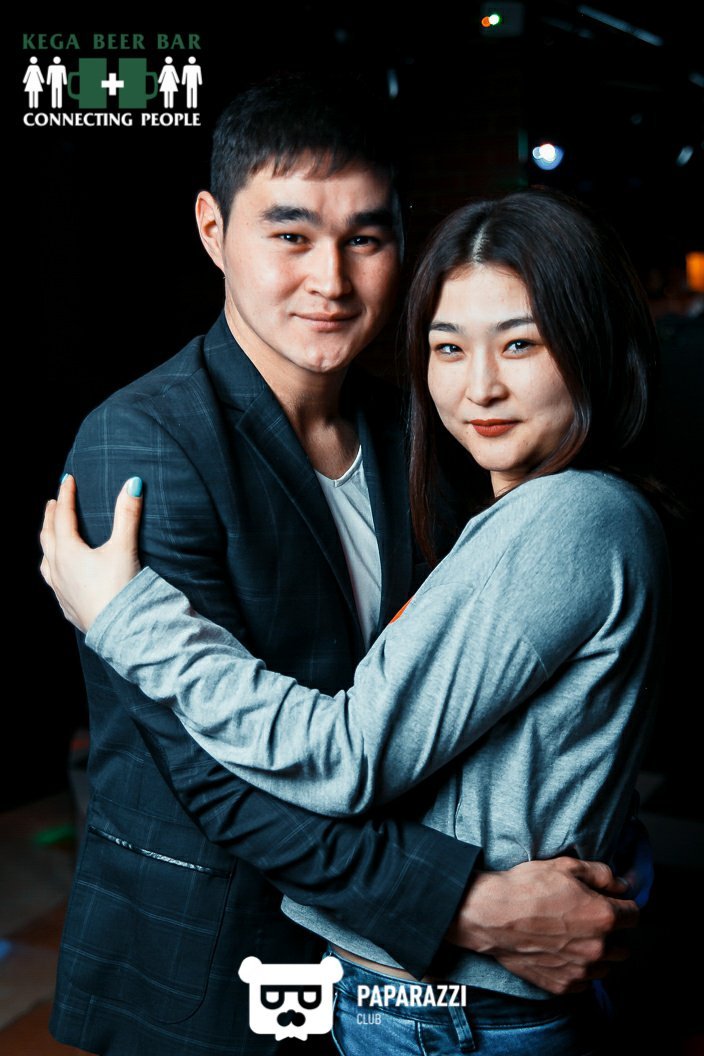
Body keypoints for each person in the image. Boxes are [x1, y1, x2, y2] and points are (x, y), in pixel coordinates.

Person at [42, 75, 642, 1056]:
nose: (330, 279)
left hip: (400, 990)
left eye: (364, 238)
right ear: (212, 229)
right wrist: (466, 907)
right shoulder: (143, 445)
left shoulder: (431, 428)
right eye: (290, 235)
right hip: (217, 968)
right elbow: (218, 780)